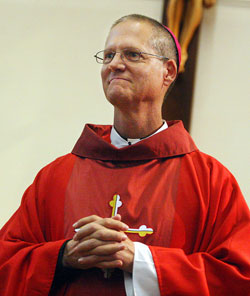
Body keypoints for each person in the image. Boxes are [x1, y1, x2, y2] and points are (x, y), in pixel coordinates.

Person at [0, 14, 249, 296]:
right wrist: (64, 256)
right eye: (108, 56)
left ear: (168, 71)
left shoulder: (210, 181)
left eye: (132, 54)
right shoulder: (56, 176)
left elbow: (238, 277)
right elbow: (6, 261)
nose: (115, 64)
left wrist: (140, 261)